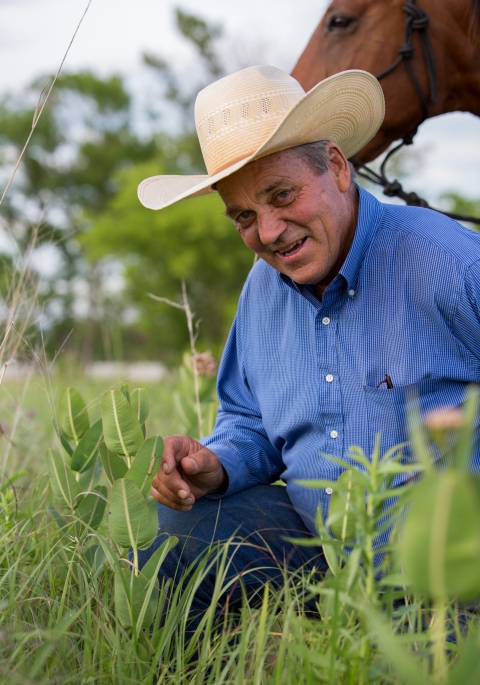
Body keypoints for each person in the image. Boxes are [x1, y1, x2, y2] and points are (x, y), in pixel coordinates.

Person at [137, 65, 480, 621]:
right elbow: (250, 421)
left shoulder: (443, 260)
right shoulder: (263, 287)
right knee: (177, 527)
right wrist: (214, 463)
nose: (269, 232)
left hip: (450, 567)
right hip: (321, 559)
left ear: (338, 168)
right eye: (244, 216)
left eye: (282, 195)